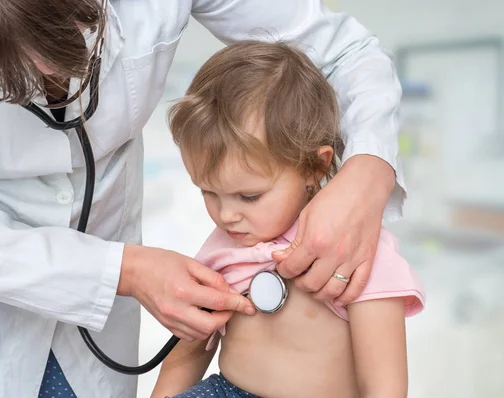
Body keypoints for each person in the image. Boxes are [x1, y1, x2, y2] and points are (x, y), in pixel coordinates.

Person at [0, 0, 404, 397]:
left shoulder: (367, 262)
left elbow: (342, 53)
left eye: (62, 46)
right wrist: (123, 271)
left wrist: (369, 168)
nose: (228, 214)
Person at [152, 41, 425, 398]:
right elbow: (186, 355)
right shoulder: (224, 244)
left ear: (314, 166)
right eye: (208, 192)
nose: (226, 215)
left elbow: (384, 386)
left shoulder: (358, 252)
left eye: (249, 196)